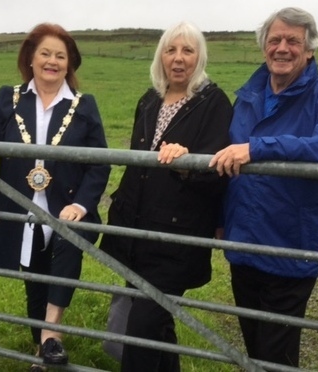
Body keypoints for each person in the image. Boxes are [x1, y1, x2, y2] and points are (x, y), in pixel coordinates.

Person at [0, 23, 110, 371]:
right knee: (36, 279)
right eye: (45, 54)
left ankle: (52, 336)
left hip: (68, 207)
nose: (52, 61)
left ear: (69, 64)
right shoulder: (9, 98)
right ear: (31, 59)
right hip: (19, 206)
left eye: (60, 56)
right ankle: (43, 353)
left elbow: (99, 164)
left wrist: (81, 204)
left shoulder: (84, 106)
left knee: (65, 249)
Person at [208, 7, 318, 367]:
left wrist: (260, 148)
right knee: (254, 348)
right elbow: (226, 159)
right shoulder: (248, 94)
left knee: (277, 355)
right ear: (263, 47)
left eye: (293, 41)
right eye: (275, 39)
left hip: (289, 248)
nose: (282, 48)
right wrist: (220, 218)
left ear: (309, 50)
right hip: (243, 245)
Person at [99, 21, 233, 372]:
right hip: (136, 231)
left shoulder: (213, 102)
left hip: (175, 238)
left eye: (187, 51)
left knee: (142, 325)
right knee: (157, 323)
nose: (178, 59)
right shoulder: (149, 99)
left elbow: (217, 169)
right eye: (170, 50)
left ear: (199, 58)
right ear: (160, 56)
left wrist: (187, 161)